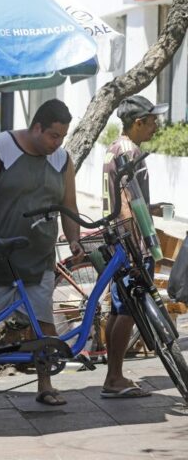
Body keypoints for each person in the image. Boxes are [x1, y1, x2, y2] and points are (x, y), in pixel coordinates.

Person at [0, 99, 83, 406]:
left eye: (63, 137)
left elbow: (68, 204)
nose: (58, 143)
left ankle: (45, 385)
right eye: (54, 135)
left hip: (39, 258)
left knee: (42, 323)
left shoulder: (61, 160)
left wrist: (74, 239)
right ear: (37, 127)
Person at [100, 95, 167, 399]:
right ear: (138, 122)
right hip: (129, 241)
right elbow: (127, 205)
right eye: (153, 120)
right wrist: (137, 249)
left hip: (117, 237)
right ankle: (114, 377)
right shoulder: (130, 153)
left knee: (118, 307)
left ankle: (113, 375)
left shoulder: (114, 148)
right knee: (129, 308)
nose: (157, 125)